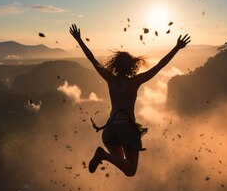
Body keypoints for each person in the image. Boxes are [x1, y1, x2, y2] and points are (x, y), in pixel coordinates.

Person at [69, 24, 190, 177]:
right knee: (131, 170)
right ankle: (103, 155)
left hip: (110, 130)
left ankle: (104, 155)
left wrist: (79, 39)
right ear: (132, 66)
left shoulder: (110, 79)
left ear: (116, 65)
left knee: (123, 164)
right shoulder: (135, 81)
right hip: (127, 129)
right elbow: (160, 66)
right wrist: (177, 48)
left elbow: (93, 60)